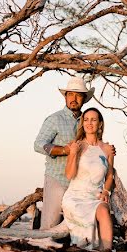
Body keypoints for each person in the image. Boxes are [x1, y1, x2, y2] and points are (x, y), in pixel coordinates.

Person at [34, 76, 93, 229]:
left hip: (80, 182)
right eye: (71, 94)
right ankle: (40, 250)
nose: (74, 98)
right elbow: (39, 145)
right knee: (49, 223)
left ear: (84, 98)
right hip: (57, 178)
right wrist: (64, 150)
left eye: (78, 95)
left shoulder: (87, 121)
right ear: (66, 96)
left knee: (78, 225)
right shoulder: (55, 119)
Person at [61, 108, 115, 252]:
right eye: (86, 119)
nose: (89, 123)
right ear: (82, 123)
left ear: (100, 124)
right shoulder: (77, 145)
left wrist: (106, 191)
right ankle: (84, 249)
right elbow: (69, 175)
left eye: (93, 119)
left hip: (95, 196)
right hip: (75, 197)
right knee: (80, 213)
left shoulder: (108, 149)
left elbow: (110, 175)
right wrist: (73, 153)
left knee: (104, 210)